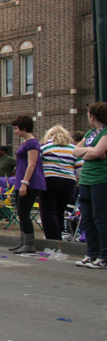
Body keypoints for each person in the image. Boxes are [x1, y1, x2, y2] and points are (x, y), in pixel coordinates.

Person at [73, 103, 107, 268]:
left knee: (100, 218)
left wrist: (89, 151)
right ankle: (91, 253)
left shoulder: (106, 132)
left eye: (88, 114)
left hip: (101, 180)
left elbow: (96, 153)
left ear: (92, 116)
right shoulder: (90, 133)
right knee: (86, 218)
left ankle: (104, 255)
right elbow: (75, 151)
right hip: (85, 180)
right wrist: (91, 151)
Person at [38, 126, 82, 241]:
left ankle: (52, 238)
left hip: (50, 179)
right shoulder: (74, 148)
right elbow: (80, 170)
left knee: (48, 211)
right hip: (69, 182)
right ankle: (60, 234)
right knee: (60, 211)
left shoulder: (45, 146)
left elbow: (38, 164)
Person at [10, 115, 46, 253]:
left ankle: (29, 244)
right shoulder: (25, 143)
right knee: (20, 212)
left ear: (24, 128)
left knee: (24, 213)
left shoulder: (32, 143)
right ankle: (23, 240)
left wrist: (25, 183)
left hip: (29, 183)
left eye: (16, 128)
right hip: (20, 182)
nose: (15, 131)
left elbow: (32, 164)